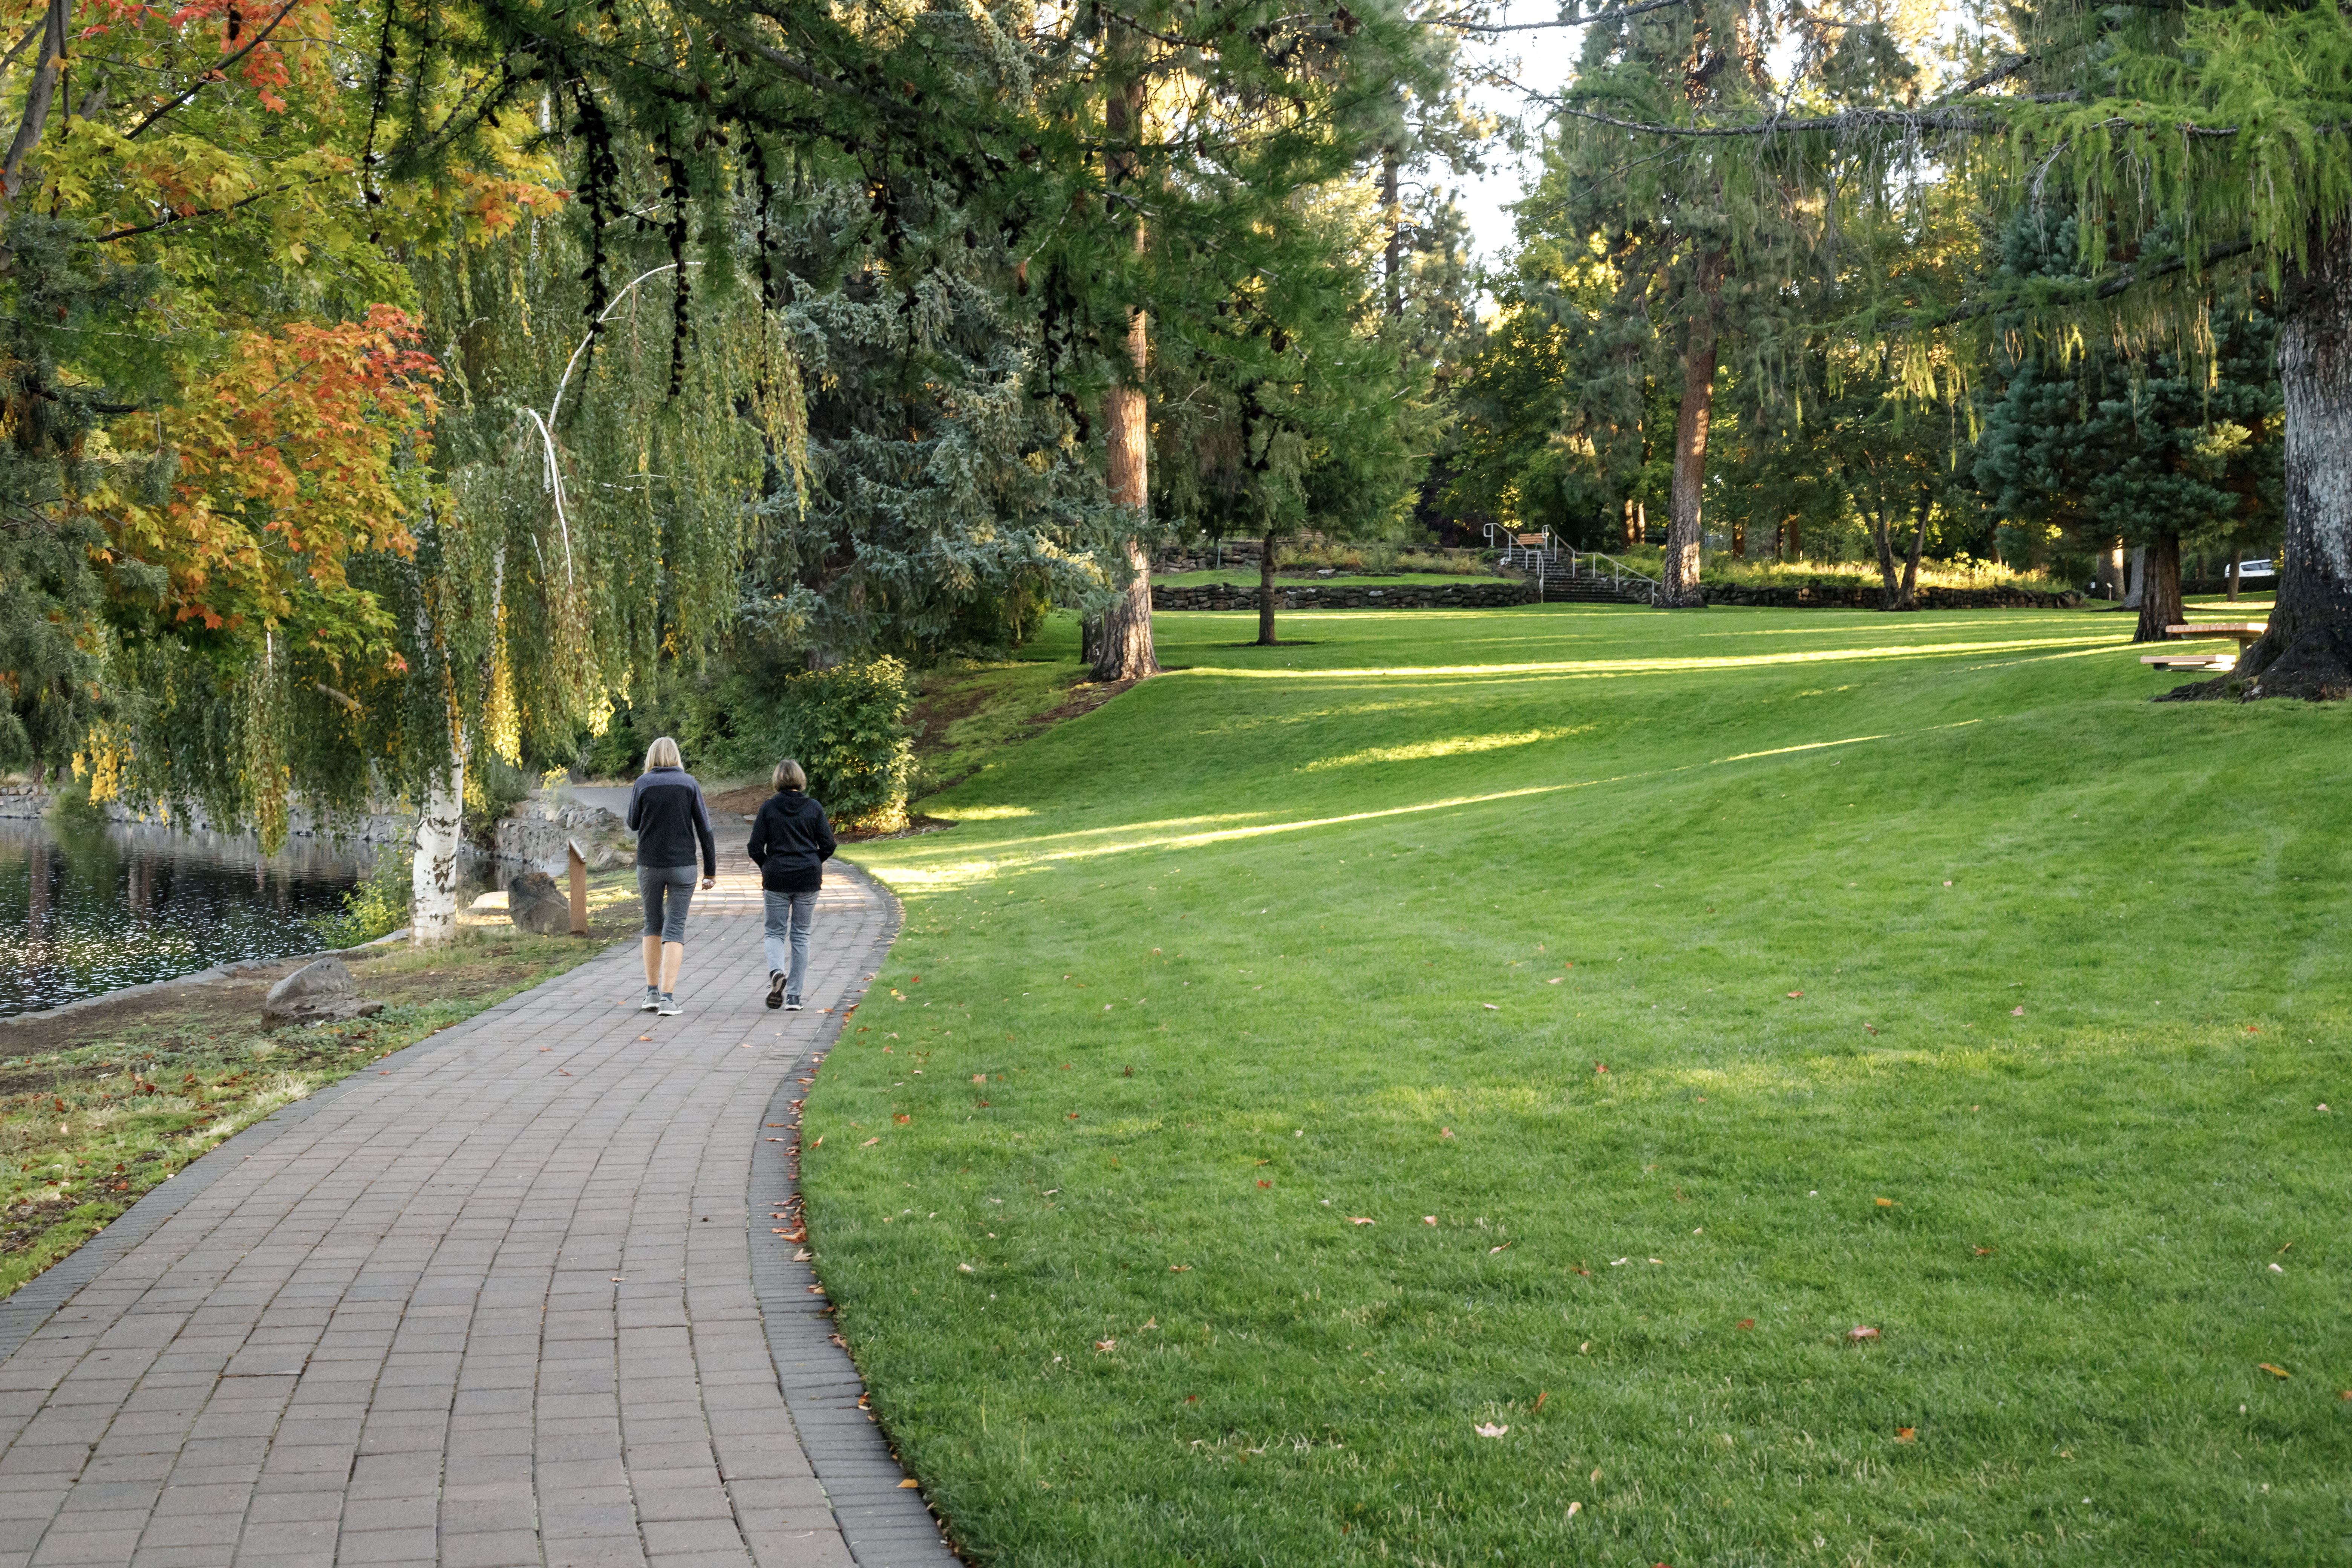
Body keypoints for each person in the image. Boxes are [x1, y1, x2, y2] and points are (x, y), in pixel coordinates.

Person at [626, 737, 717, 1016]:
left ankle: (651, 993)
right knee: (675, 929)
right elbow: (705, 829)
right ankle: (668, 998)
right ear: (676, 756)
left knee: (652, 924)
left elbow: (633, 823)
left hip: (650, 866)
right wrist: (710, 872)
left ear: (651, 757)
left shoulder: (642, 783)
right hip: (683, 866)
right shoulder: (689, 783)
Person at [745, 758, 835, 1011]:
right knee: (801, 935)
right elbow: (829, 845)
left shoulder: (768, 808)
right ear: (800, 779)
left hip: (777, 878)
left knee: (774, 931)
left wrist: (768, 865)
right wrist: (813, 861)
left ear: (777, 780)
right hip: (808, 878)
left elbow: (754, 846)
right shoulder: (814, 808)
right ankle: (794, 996)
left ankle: (777, 972)